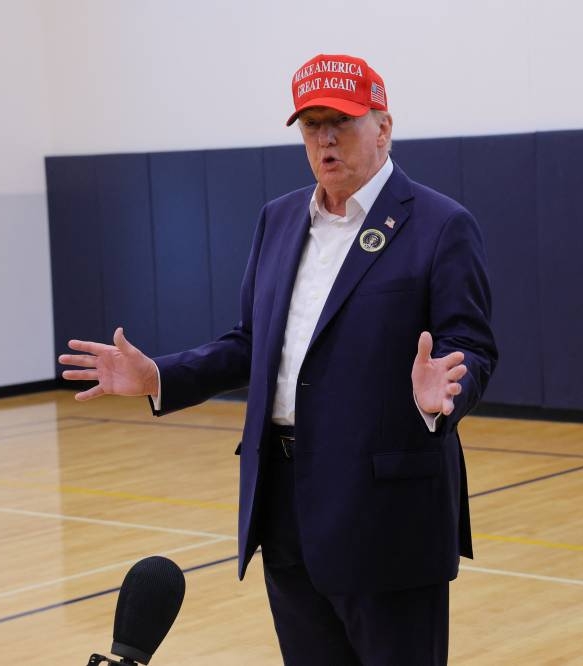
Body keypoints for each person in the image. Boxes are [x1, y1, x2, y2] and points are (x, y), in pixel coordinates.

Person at [60, 53, 497, 665]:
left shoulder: (442, 224)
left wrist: (445, 392)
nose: (324, 138)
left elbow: (471, 346)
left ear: (383, 127)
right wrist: (159, 375)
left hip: (387, 515)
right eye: (311, 124)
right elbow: (250, 343)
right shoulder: (280, 218)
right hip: (285, 505)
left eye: (340, 121)